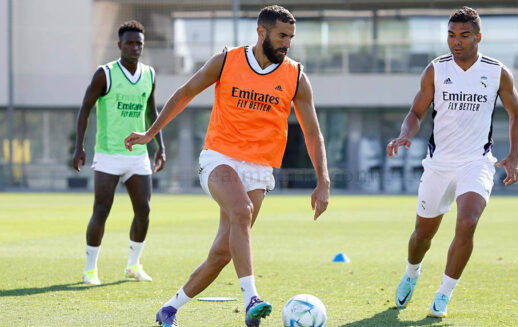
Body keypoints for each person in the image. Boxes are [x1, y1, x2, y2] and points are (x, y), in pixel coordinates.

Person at [125, 5, 329, 327]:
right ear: (261, 33)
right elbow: (185, 93)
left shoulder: (296, 77)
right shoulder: (226, 60)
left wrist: (323, 181)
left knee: (222, 254)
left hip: (259, 169)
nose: (287, 43)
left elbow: (312, 133)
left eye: (291, 37)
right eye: (281, 36)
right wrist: (151, 133)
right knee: (242, 210)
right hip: (218, 158)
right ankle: (252, 299)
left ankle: (169, 309)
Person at [387, 6, 518, 318]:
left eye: (464, 36)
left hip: (476, 163)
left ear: (479, 37)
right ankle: (412, 272)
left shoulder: (497, 72)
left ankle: (443, 294)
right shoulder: (436, 69)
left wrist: (514, 155)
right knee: (422, 237)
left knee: (468, 222)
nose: (456, 42)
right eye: (451, 35)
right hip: (438, 165)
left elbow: (516, 114)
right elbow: (416, 112)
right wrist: (404, 134)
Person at [73, 20, 166, 285]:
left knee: (144, 210)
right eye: (130, 43)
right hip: (109, 154)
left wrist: (160, 146)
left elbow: (152, 112)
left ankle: (134, 265)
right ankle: (90, 270)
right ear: (119, 45)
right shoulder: (105, 73)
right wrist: (79, 146)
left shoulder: (149, 74)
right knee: (101, 210)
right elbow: (85, 108)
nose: (135, 47)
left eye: (139, 43)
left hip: (138, 155)